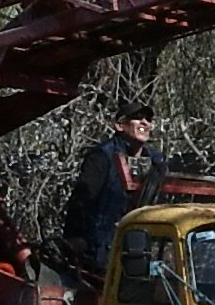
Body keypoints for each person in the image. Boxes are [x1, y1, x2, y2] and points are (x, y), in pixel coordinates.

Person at [64, 100, 167, 275]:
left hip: (138, 250)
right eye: (137, 118)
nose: (145, 123)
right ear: (120, 125)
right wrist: (76, 238)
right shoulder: (101, 156)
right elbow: (81, 200)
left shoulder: (157, 162)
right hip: (99, 252)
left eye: (148, 119)